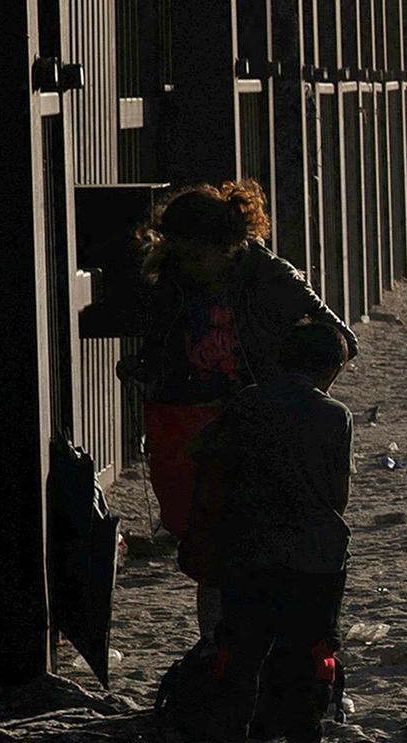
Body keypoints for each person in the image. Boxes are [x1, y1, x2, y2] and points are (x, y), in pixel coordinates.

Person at [121, 181, 350, 580]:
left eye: (195, 255)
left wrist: (297, 397)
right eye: (178, 254)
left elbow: (341, 340)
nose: (187, 265)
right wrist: (145, 366)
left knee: (244, 540)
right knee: (209, 545)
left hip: (256, 422)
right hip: (192, 419)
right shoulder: (174, 277)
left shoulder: (272, 277)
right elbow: (164, 342)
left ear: (223, 245)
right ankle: (218, 638)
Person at [179, 317, 358, 743]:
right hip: (314, 557)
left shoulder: (247, 405)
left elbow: (200, 451)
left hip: (248, 549)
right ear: (331, 369)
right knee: (312, 653)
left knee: (240, 650)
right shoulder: (334, 415)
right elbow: (337, 496)